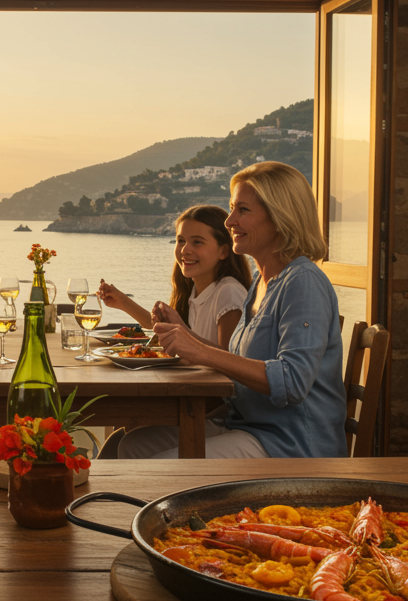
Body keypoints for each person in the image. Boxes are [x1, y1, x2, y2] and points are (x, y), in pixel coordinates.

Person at [118, 162, 345, 460]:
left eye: (243, 210)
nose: (229, 221)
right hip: (246, 425)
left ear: (280, 217)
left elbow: (292, 382)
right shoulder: (263, 282)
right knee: (130, 446)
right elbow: (241, 361)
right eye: (231, 208)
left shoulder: (303, 282)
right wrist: (186, 336)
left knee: (159, 468)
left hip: (291, 442)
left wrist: (200, 351)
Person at [95, 205, 251, 349]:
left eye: (197, 242)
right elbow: (160, 327)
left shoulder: (228, 292)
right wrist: (122, 302)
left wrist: (181, 331)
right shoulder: (195, 290)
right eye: (181, 241)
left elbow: (230, 360)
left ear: (223, 251)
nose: (184, 250)